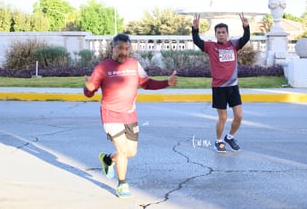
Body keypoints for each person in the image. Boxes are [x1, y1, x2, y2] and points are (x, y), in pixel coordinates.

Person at [83, 33, 177, 198]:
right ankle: (122, 184)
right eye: (120, 48)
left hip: (130, 115)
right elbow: (89, 92)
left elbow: (146, 83)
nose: (124, 52)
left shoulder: (134, 65)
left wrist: (166, 82)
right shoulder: (102, 67)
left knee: (130, 152)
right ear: (112, 48)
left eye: (127, 49)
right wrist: (89, 89)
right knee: (123, 150)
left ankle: (107, 159)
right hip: (110, 114)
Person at [192, 13, 250, 153]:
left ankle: (229, 137)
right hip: (219, 88)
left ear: (228, 34)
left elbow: (245, 38)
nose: (221, 35)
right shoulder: (210, 47)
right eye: (219, 32)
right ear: (216, 34)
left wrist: (246, 27)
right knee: (223, 117)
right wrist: (195, 29)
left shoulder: (234, 45)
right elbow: (197, 41)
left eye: (224, 32)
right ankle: (218, 141)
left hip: (233, 87)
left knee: (239, 116)